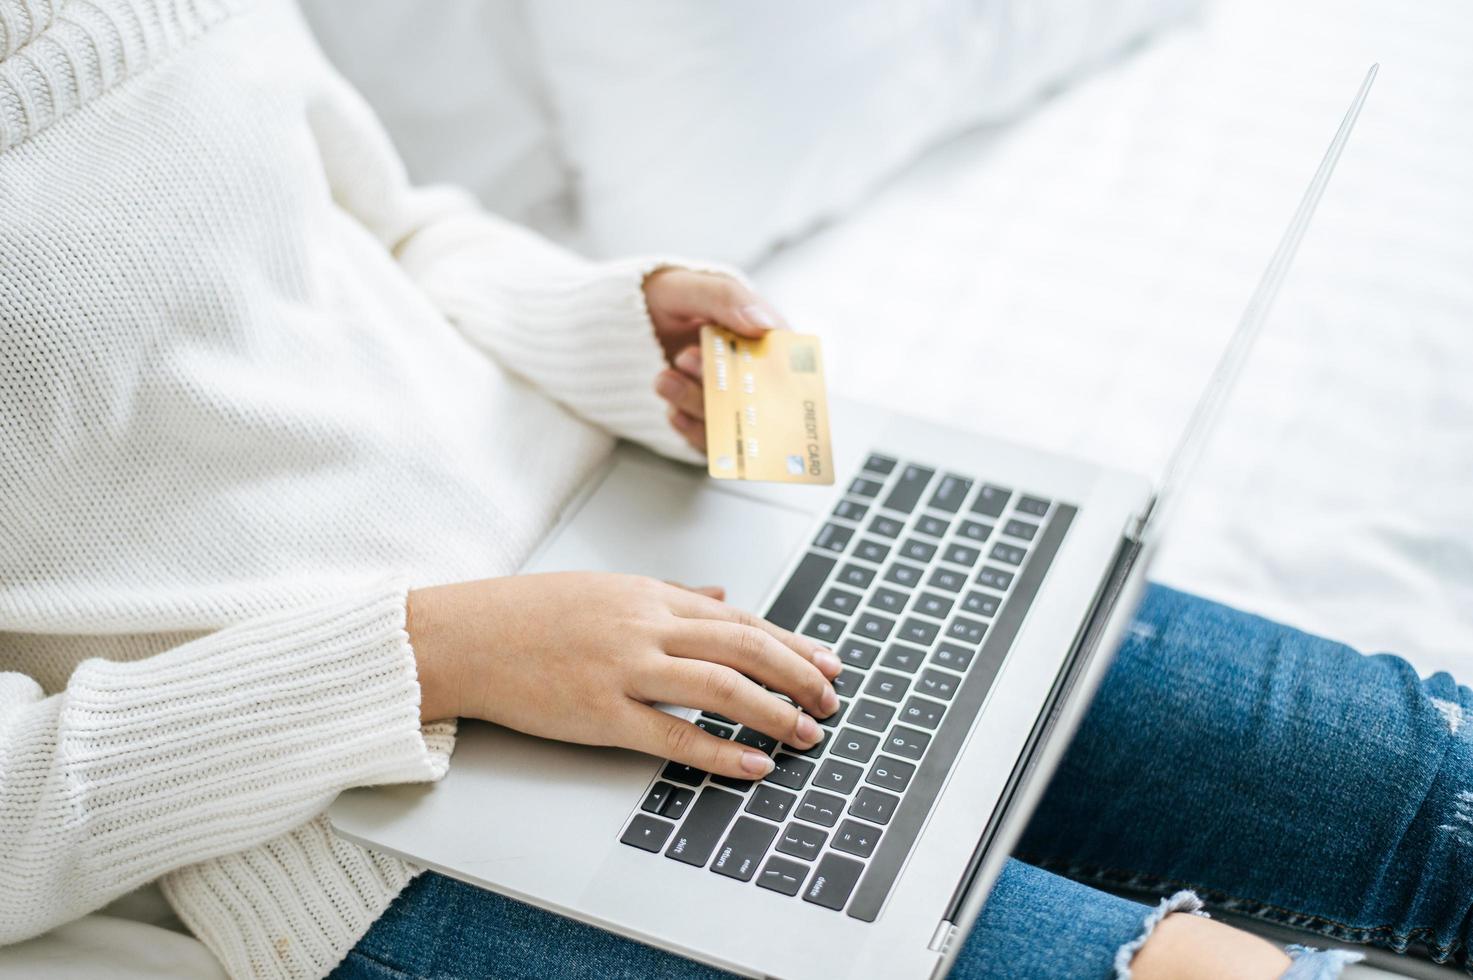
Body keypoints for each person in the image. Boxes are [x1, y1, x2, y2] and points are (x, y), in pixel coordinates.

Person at [1, 2, 1467, 978]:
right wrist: (431, 651)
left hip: (679, 545)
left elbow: (382, 234)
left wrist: (618, 333)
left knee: (1428, 783)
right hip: (371, 800)